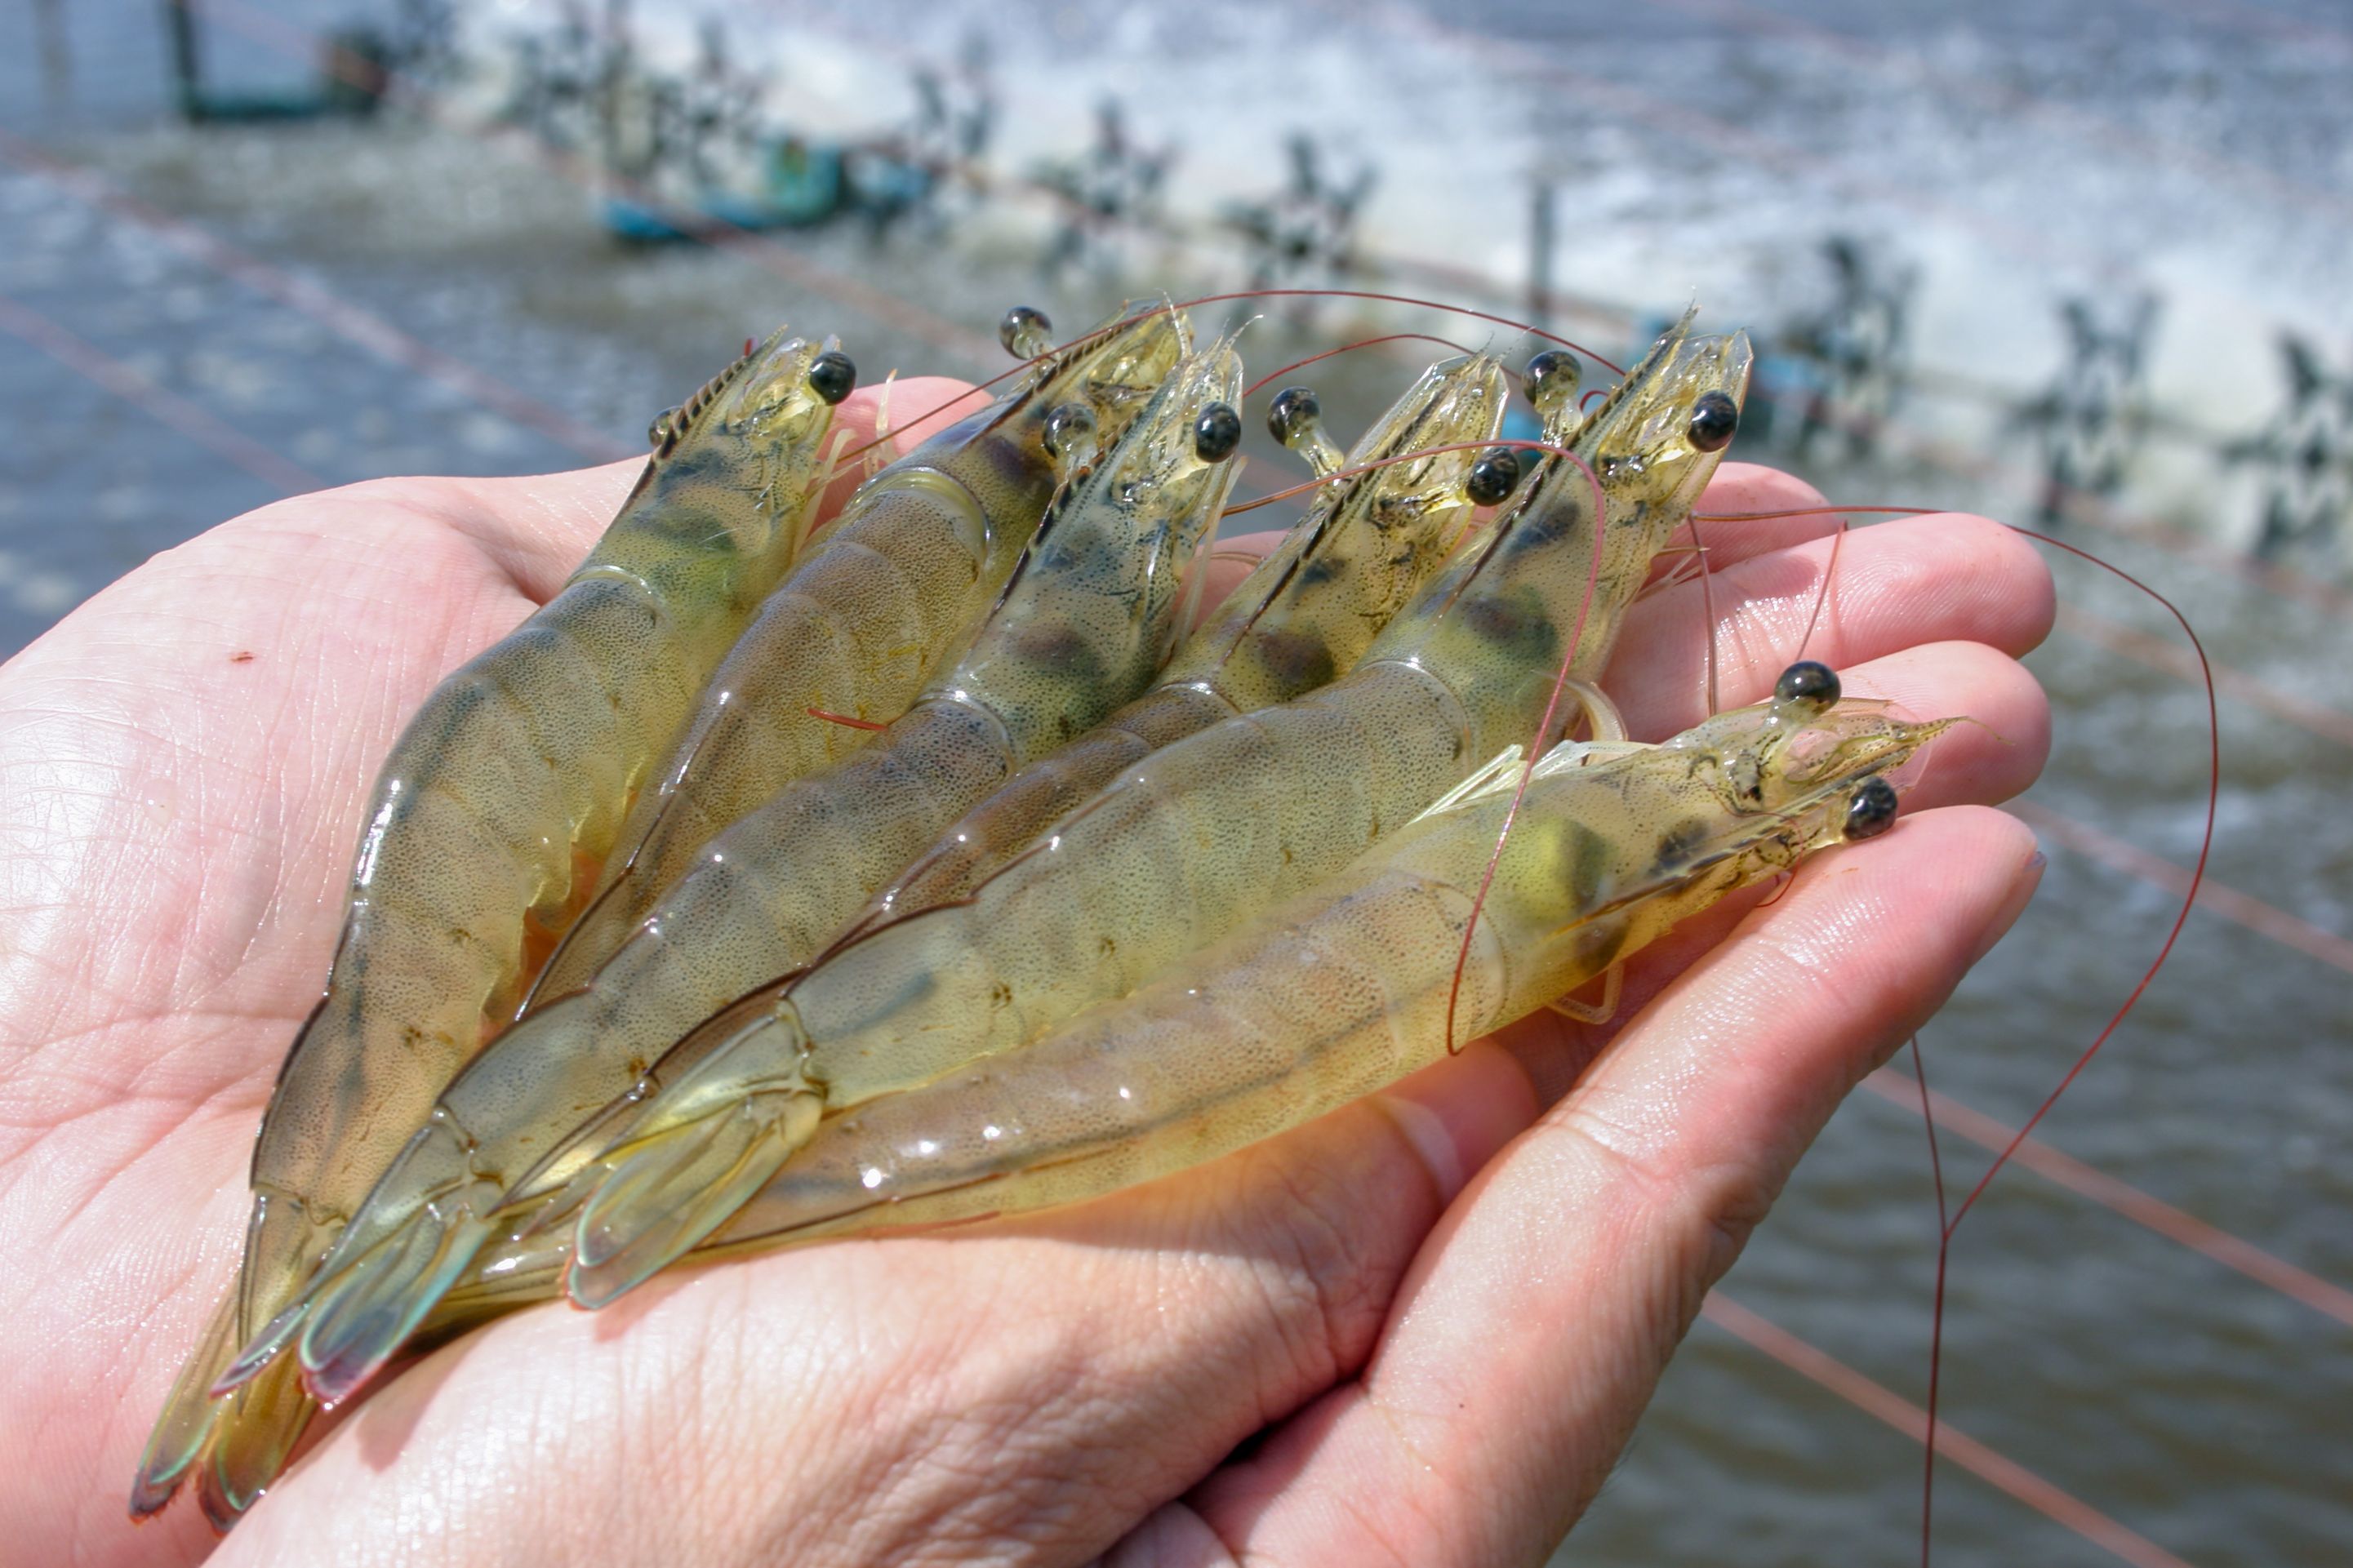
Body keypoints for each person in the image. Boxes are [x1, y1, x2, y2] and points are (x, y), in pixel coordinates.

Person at [0, 375, 2051, 1567]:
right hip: (917, 978)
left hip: (1007, 932)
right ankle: (394, 1274)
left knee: (1111, 767)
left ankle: (403, 1280)